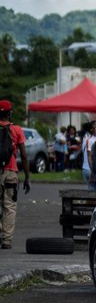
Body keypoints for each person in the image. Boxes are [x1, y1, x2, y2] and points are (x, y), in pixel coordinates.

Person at [0, 100, 30, 249]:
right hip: (11, 172)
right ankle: (6, 240)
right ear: (9, 113)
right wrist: (27, 178)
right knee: (9, 207)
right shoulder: (17, 130)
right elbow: (24, 156)